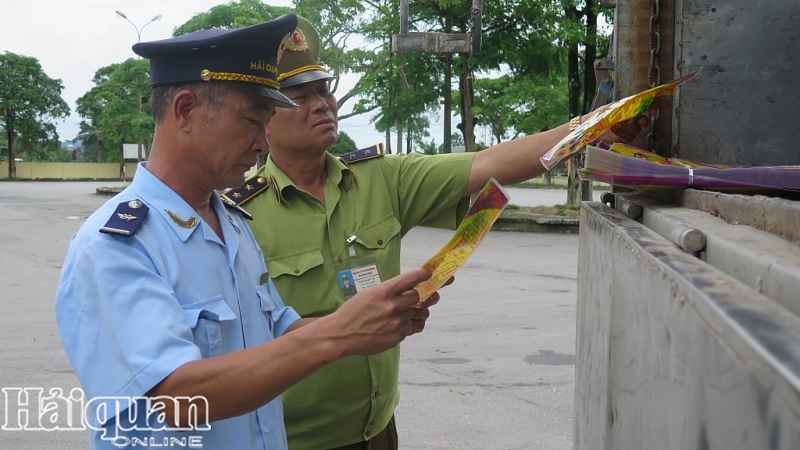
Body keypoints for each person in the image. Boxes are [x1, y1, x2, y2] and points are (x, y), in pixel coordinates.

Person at [222, 16, 660, 450]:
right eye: (300, 96)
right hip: (293, 440)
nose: (322, 103)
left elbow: (490, 163)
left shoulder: (380, 178)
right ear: (263, 115)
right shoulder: (239, 216)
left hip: (379, 431)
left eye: (324, 88)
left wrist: (590, 127)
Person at [54, 15, 434, 450]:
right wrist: (336, 335)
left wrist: (371, 319)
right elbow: (175, 398)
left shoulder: (232, 223)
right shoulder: (117, 245)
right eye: (253, 121)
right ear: (185, 111)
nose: (263, 143)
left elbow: (277, 332)